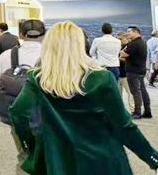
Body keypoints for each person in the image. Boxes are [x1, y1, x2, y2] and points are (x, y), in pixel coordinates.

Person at [10, 21, 158, 174]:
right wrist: (152, 158)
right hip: (104, 160)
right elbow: (123, 125)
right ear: (80, 45)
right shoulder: (101, 78)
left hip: (61, 161)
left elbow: (18, 113)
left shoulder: (38, 80)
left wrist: (32, 147)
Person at [0, 19, 45, 175]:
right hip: (47, 116)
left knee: (25, 156)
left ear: (21, 34)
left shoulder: (7, 55)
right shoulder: (52, 55)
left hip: (17, 117)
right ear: (44, 35)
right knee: (49, 157)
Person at [122, 26, 152, 119]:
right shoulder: (143, 42)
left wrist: (123, 50)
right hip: (141, 69)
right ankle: (147, 111)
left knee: (135, 91)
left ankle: (137, 112)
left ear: (136, 32)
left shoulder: (133, 44)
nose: (127, 33)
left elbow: (123, 54)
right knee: (142, 90)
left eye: (129, 31)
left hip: (133, 71)